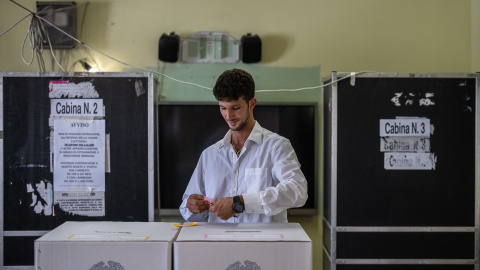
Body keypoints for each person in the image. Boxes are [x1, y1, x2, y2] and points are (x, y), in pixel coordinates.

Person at [179, 69, 308, 223]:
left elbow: (298, 191)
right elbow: (187, 211)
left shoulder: (276, 146)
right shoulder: (210, 154)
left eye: (235, 108)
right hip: (218, 245)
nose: (229, 116)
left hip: (263, 245)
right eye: (223, 108)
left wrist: (240, 203)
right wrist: (191, 206)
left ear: (251, 103)